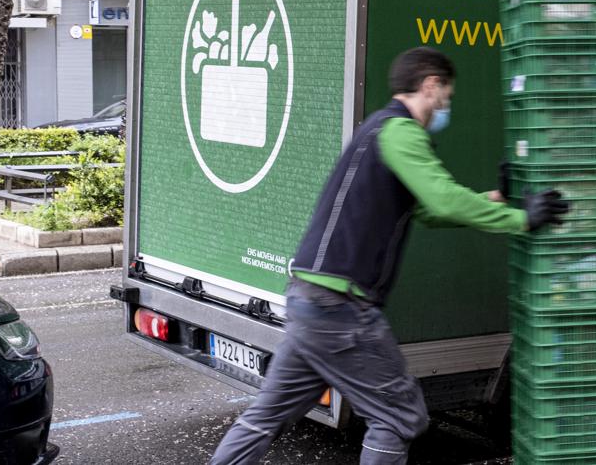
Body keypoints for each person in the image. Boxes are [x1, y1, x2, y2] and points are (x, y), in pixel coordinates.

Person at [210, 46, 567, 465]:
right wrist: (523, 218)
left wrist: (500, 198)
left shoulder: (375, 129)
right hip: (340, 309)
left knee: (264, 417)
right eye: (447, 97)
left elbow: (430, 210)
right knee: (399, 416)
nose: (444, 108)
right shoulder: (400, 131)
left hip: (309, 300)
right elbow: (446, 200)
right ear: (430, 85)